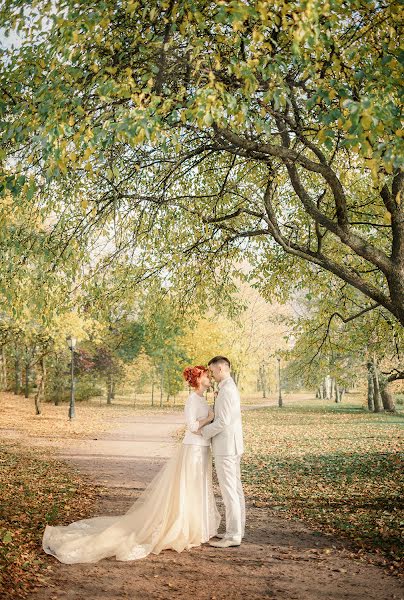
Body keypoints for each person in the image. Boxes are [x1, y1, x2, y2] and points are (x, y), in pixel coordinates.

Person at [42, 365, 221, 564]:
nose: (209, 377)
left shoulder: (202, 398)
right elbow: (192, 426)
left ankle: (197, 527)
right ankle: (183, 528)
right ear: (198, 379)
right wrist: (209, 418)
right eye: (206, 374)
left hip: (202, 449)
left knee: (197, 488)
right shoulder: (191, 400)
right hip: (193, 449)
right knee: (188, 489)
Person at [199, 356, 245, 548]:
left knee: (229, 492)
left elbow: (223, 422)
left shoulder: (227, 390)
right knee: (235, 489)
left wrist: (203, 432)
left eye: (212, 371)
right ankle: (236, 530)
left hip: (226, 447)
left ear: (220, 369)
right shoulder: (227, 388)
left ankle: (233, 535)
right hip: (231, 445)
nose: (211, 374)